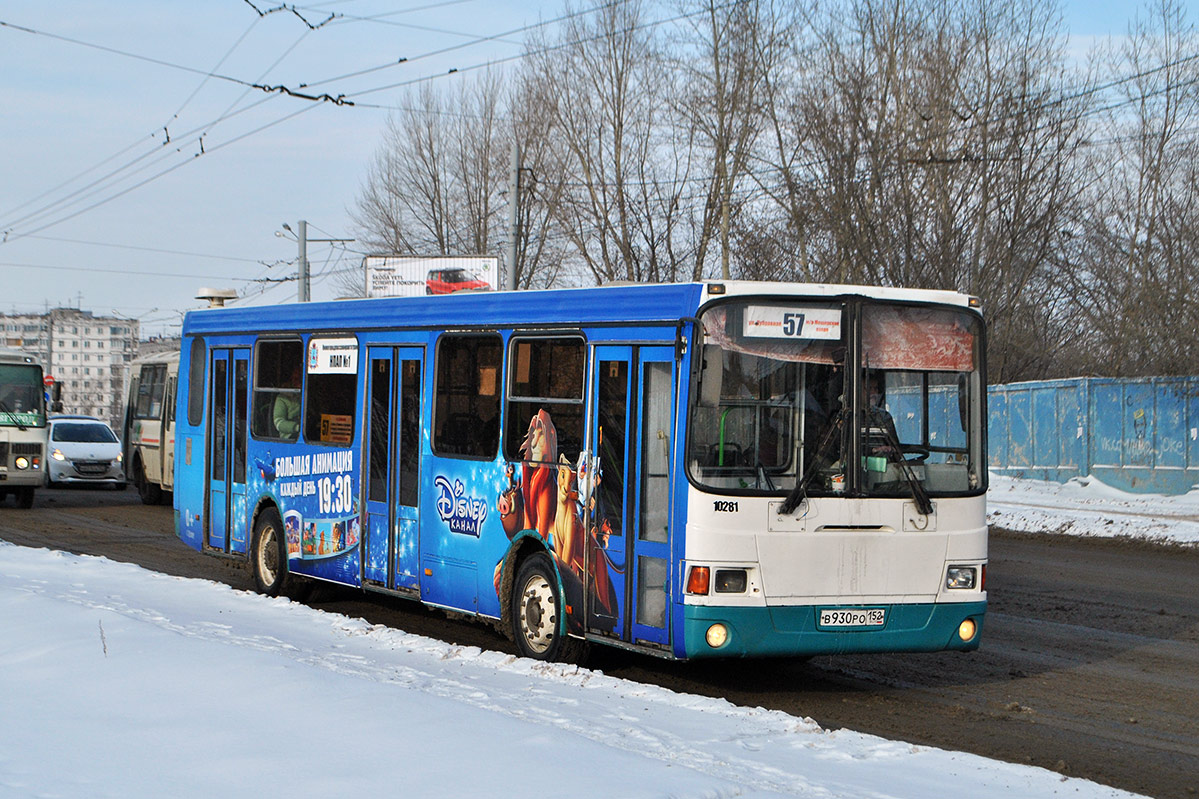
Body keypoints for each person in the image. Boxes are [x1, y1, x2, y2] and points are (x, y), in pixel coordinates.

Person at [273, 364, 301, 439]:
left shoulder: (307, 396)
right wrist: (297, 427)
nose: (298, 382)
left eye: (300, 379)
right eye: (295, 379)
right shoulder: (282, 398)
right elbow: (279, 423)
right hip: (290, 437)